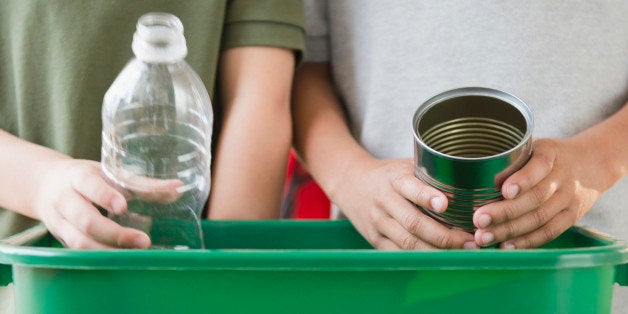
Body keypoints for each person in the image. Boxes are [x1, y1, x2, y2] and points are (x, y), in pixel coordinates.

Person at [292, 1, 627, 309]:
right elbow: (300, 67)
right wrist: (349, 177)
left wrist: (597, 158)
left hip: (584, 276)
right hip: (383, 266)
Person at [0, 0, 305, 249]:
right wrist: (42, 182)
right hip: (25, 268)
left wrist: (221, 280)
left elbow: (258, 99)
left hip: (185, 271)